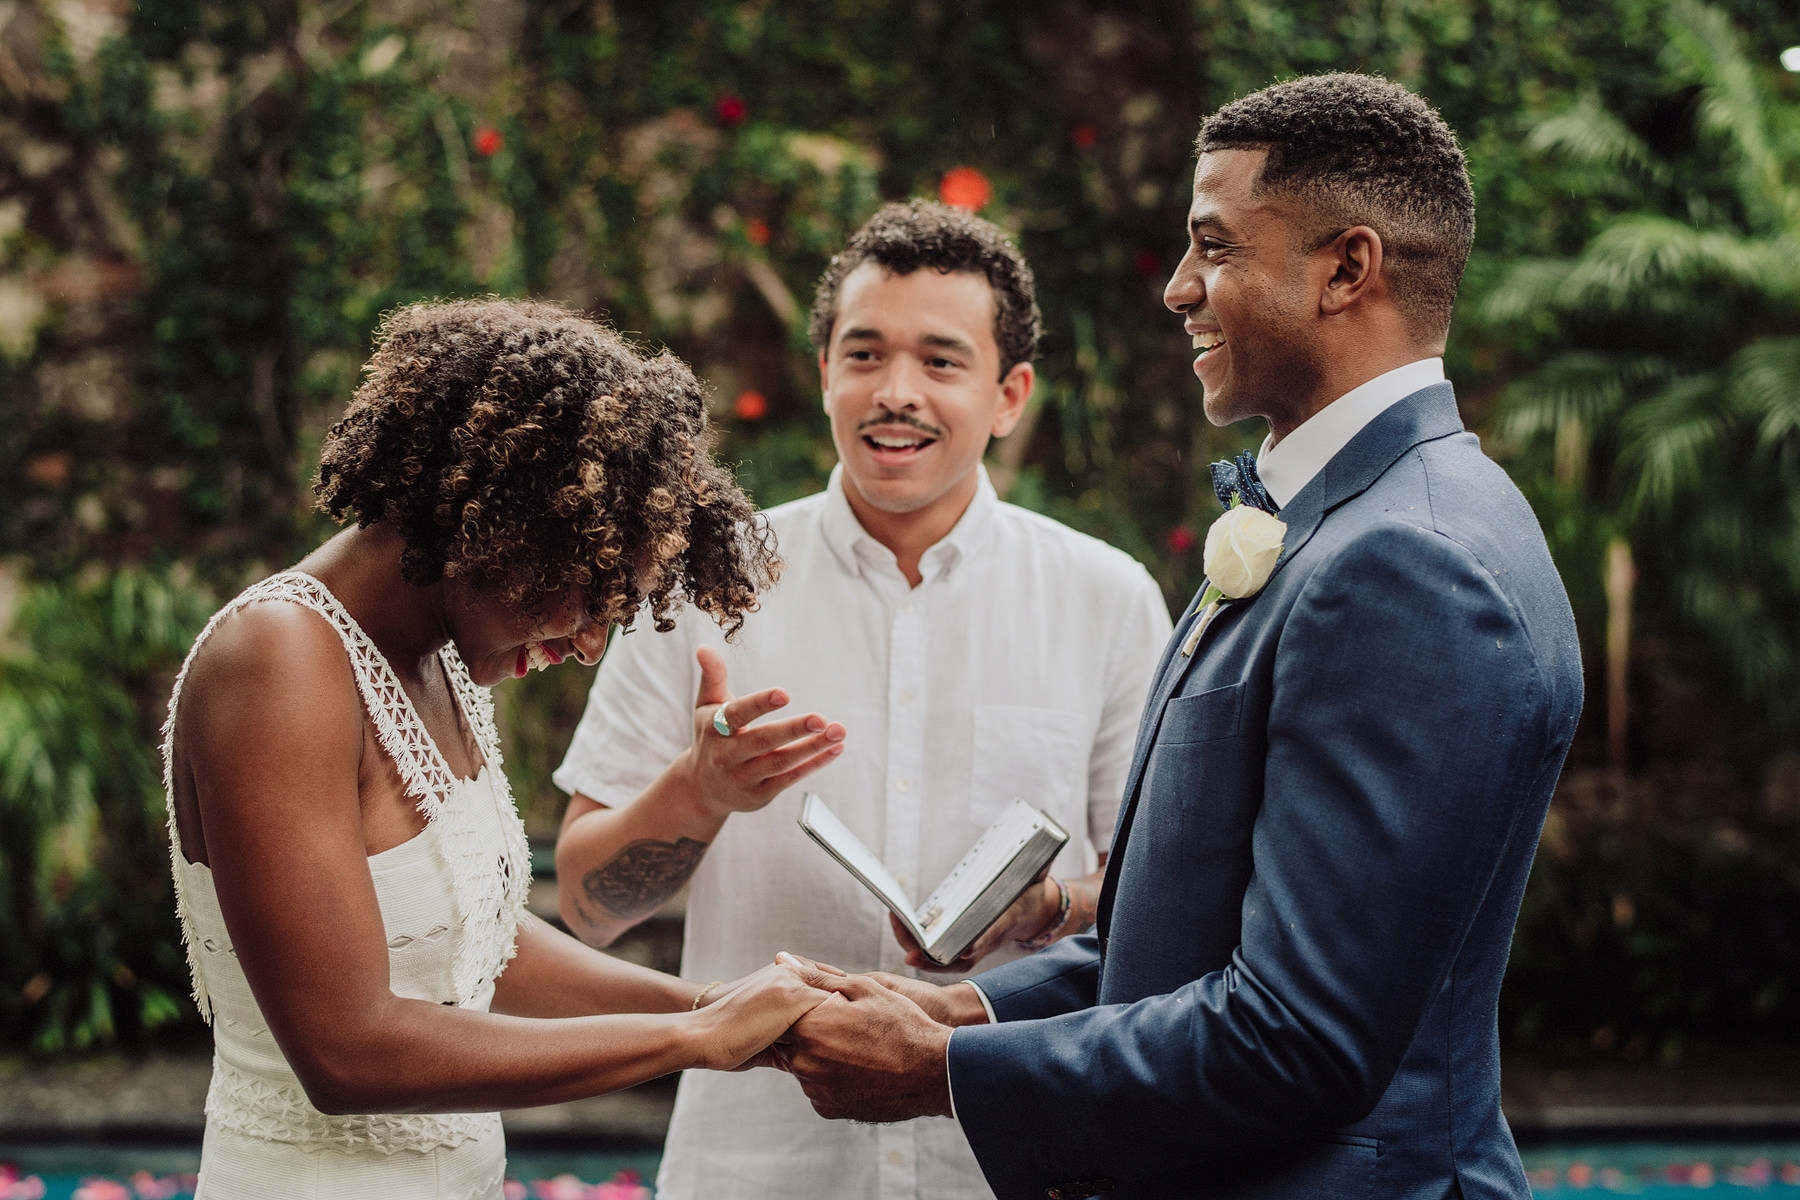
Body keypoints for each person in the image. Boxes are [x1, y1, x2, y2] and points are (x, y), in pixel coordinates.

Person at [775, 73, 1586, 1200]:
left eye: (1212, 246)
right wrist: (957, 1005)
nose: (1177, 290)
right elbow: (1180, 941)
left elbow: (1298, 1036)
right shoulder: (1325, 522)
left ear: (1347, 269)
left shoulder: (1412, 565)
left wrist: (945, 1072)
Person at [551, 200, 1172, 1199]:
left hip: (1010, 1167)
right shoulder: (704, 585)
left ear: (1009, 393)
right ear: (827, 371)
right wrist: (699, 793)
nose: (895, 393)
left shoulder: (1108, 600)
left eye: (939, 361)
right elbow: (586, 907)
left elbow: (1170, 907)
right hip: (756, 1169)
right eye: (865, 353)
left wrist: (1048, 904)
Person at [160, 298, 828, 1200]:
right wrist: (691, 1043)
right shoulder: (277, 659)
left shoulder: (442, 666)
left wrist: (711, 1002)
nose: (590, 642)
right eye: (589, 593)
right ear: (499, 519)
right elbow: (347, 1049)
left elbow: (482, 943)